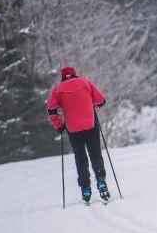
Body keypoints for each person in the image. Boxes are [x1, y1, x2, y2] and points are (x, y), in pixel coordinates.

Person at [47, 66, 110, 204]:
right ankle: (101, 181)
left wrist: (59, 126)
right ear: (75, 74)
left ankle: (85, 189)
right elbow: (101, 100)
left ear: (63, 77)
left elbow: (51, 110)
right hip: (90, 125)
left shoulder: (58, 89)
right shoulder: (85, 82)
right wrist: (91, 103)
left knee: (80, 158)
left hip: (73, 129)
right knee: (95, 154)